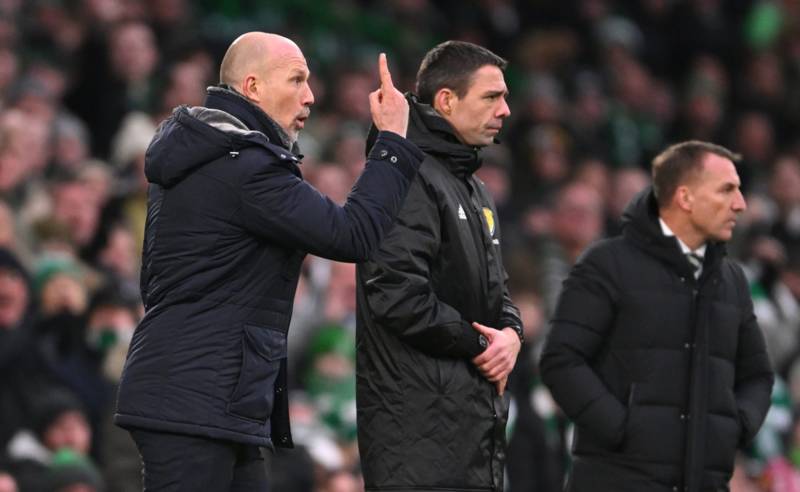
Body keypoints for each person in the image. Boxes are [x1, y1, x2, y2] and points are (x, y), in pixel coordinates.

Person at [114, 32, 424, 490]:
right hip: (195, 401)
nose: (311, 96)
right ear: (253, 87)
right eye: (296, 80)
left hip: (209, 398)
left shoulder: (212, 156)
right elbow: (352, 235)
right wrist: (393, 143)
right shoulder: (245, 166)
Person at [539, 140, 774, 492]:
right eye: (727, 190)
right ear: (685, 198)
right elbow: (562, 360)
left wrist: (731, 428)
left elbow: (757, 376)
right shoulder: (607, 264)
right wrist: (622, 429)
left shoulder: (732, 280)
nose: (740, 204)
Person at [355, 40, 523, 491]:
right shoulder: (405, 175)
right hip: (417, 442)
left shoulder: (474, 187)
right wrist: (480, 343)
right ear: (446, 100)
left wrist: (511, 336)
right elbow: (396, 293)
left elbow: (497, 295)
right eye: (492, 97)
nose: (505, 110)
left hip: (471, 434)